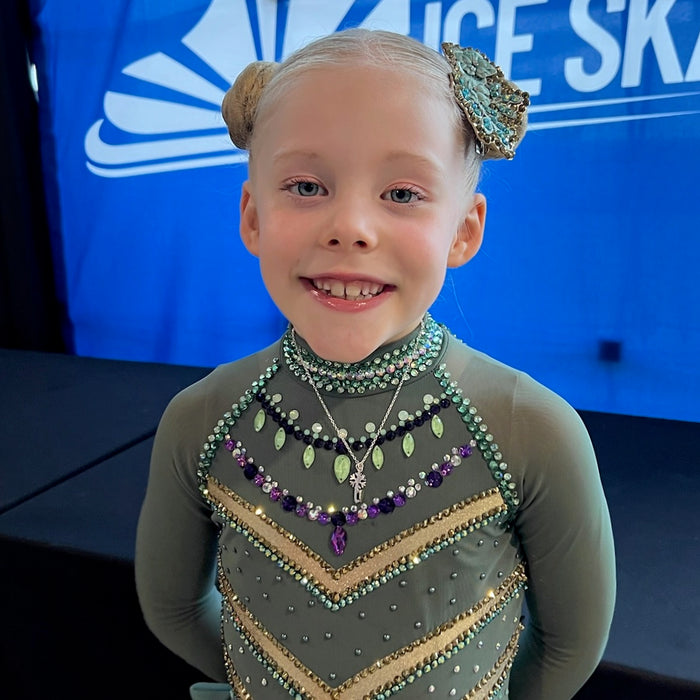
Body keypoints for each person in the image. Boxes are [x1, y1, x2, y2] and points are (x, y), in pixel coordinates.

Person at [135, 28, 616, 700]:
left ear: (464, 230)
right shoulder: (203, 421)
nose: (350, 226)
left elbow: (567, 649)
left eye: (401, 194)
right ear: (252, 215)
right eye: (306, 185)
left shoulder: (531, 430)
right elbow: (175, 611)